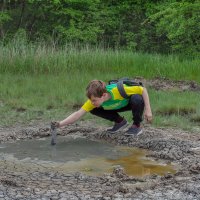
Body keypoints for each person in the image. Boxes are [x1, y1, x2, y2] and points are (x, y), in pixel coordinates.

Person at [52, 79, 152, 136]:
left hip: (129, 103)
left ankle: (136, 126)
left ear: (103, 95)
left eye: (94, 100)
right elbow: (78, 114)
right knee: (93, 109)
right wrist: (60, 124)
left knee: (137, 98)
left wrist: (148, 110)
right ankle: (120, 122)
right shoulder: (94, 100)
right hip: (115, 106)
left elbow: (143, 90)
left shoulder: (120, 90)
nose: (92, 102)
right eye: (91, 100)